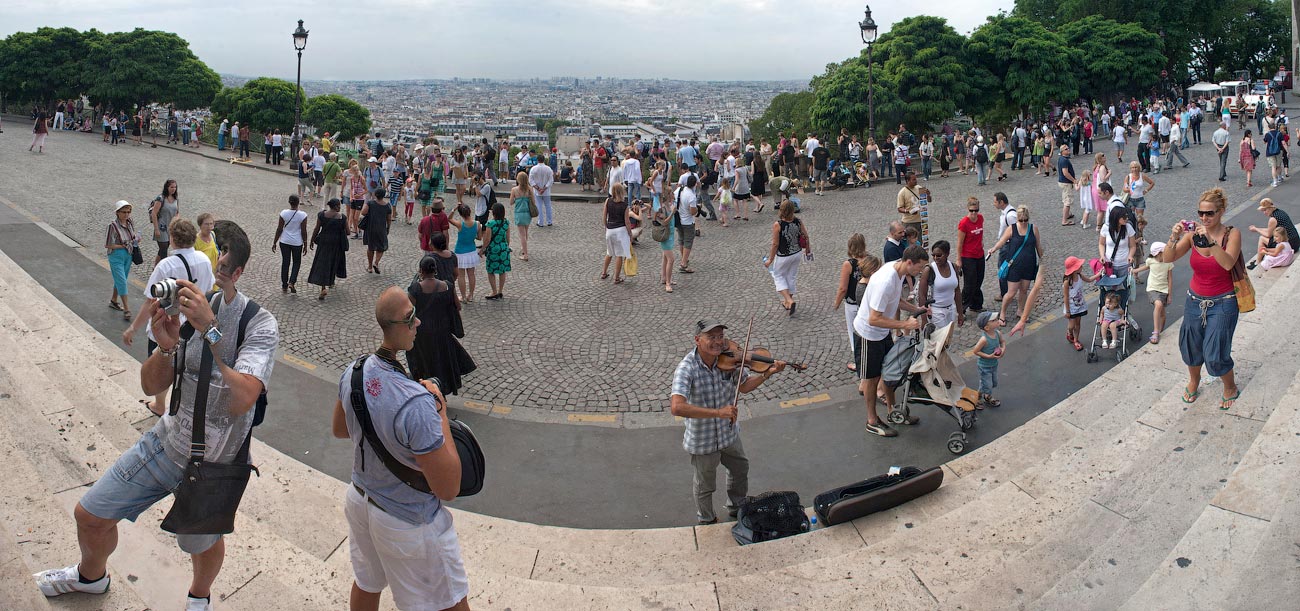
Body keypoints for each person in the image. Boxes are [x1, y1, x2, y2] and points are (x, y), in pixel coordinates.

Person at [38, 223, 276, 611]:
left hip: (216, 464)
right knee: (91, 514)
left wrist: (210, 331)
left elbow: (244, 397)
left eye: (221, 273)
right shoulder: (198, 309)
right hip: (166, 443)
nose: (213, 285)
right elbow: (151, 387)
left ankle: (200, 596)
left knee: (202, 542)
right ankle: (91, 577)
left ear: (238, 273)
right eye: (212, 270)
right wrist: (166, 348)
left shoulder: (259, 323)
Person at [331, 287, 469, 611]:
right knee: (449, 601)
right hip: (408, 519)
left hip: (362, 500)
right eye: (412, 318)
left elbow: (340, 429)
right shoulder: (417, 403)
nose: (418, 322)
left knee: (367, 582)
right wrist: (440, 412)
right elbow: (448, 487)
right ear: (401, 325)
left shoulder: (354, 371)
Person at [670, 319, 789, 525]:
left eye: (720, 336)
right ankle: (706, 518)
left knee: (740, 469)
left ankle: (737, 507)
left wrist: (767, 374)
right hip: (702, 440)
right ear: (698, 340)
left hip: (729, 433)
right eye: (711, 337)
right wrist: (718, 412)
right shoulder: (686, 368)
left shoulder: (729, 361)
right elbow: (677, 407)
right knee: (705, 484)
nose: (718, 342)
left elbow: (743, 386)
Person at [1161, 188, 1243, 410]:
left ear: (1221, 212)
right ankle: (1194, 380)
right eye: (1201, 213)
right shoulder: (1192, 235)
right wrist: (1174, 236)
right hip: (1194, 300)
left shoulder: (1231, 234)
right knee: (1191, 345)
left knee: (1215, 351)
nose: (1204, 218)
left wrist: (1211, 243)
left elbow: (1227, 263)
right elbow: (1169, 258)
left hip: (1224, 302)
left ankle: (1230, 387)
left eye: (1210, 214)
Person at [854, 246, 930, 437]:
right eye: (919, 267)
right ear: (909, 262)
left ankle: (893, 411)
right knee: (872, 379)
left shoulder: (898, 271)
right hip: (868, 334)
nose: (920, 272)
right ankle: (871, 420)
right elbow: (873, 318)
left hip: (881, 333)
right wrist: (905, 323)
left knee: (889, 371)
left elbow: (896, 301)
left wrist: (917, 309)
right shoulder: (886, 281)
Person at [407, 255, 476, 396]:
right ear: (435, 270)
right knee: (441, 363)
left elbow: (409, 311)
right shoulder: (447, 286)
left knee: (424, 364)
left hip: (422, 335)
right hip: (442, 332)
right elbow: (457, 306)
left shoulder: (415, 289)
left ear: (421, 270)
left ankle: (425, 392)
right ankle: (441, 393)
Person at [988, 205, 1044, 325]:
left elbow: (1038, 245)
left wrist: (1042, 259)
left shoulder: (1033, 228)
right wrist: (993, 249)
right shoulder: (1012, 229)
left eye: (1025, 220)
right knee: (1011, 292)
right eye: (1021, 220)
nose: (1023, 222)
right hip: (1014, 266)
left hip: (1029, 265)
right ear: (1017, 219)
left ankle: (1020, 311)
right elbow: (1002, 241)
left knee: (1024, 290)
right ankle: (1002, 313)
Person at [834, 237, 879, 372]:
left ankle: (858, 361)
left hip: (853, 304)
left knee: (854, 332)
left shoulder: (849, 264)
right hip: (869, 302)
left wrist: (836, 303)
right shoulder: (872, 260)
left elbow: (843, 288)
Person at [764, 200, 811, 315]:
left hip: (783, 255)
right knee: (791, 276)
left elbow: (775, 244)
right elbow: (806, 236)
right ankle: (787, 302)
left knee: (778, 275)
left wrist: (770, 259)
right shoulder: (798, 221)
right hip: (797, 254)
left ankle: (789, 300)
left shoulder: (778, 224)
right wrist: (808, 250)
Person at [307, 198, 349, 301]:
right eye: (339, 205)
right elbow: (348, 232)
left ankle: (323, 287)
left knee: (323, 263)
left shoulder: (321, 215)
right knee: (333, 262)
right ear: (335, 206)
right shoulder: (342, 217)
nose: (340, 207)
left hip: (324, 242)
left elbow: (317, 228)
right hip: (336, 244)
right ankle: (331, 281)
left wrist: (312, 240)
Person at [1132, 242, 1173, 344]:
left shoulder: (1168, 262)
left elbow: (1170, 279)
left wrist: (1169, 294)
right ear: (1158, 253)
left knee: (1163, 315)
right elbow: (1146, 267)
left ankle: (1160, 331)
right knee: (1158, 305)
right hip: (1152, 288)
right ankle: (1155, 331)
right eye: (1165, 252)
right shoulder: (1150, 260)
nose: (1167, 254)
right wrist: (1134, 270)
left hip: (1164, 290)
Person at [105, 200, 139, 322]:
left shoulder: (130, 222)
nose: (126, 214)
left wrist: (135, 239)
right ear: (117, 213)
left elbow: (132, 236)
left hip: (128, 255)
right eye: (123, 212)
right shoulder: (112, 226)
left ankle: (114, 300)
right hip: (116, 256)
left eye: (128, 212)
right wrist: (123, 245)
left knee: (121, 279)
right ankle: (126, 308)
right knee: (122, 281)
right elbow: (108, 245)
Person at [917, 240, 963, 330]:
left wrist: (960, 313)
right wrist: (924, 319)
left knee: (948, 338)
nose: (935, 258)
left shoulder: (954, 267)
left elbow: (957, 291)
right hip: (936, 311)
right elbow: (922, 295)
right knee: (940, 339)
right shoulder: (929, 270)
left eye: (939, 255)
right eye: (933, 255)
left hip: (951, 309)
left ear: (947, 254)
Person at [1246, 198, 1299, 269]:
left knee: (1261, 238)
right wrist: (1257, 228)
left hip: (1289, 245)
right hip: (1295, 241)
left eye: (1265, 210)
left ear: (1270, 208)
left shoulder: (1273, 219)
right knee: (1267, 238)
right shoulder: (1281, 212)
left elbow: (1268, 234)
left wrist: (1256, 229)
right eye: (1263, 210)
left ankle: (1257, 262)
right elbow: (1270, 230)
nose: (1264, 212)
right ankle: (1260, 258)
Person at [272, 195, 309, 294]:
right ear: (298, 203)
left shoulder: (284, 213)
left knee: (285, 263)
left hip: (284, 241)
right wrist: (305, 244)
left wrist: (274, 242)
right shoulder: (303, 215)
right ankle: (292, 282)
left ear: (289, 202)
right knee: (296, 263)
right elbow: (304, 231)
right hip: (297, 243)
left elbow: (279, 229)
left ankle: (284, 285)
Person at [956, 197, 985, 313]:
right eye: (972, 210)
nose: (974, 213)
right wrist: (959, 259)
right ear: (968, 209)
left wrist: (981, 242)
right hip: (968, 256)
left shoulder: (981, 218)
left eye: (976, 210)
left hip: (979, 254)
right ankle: (962, 308)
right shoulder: (964, 223)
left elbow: (980, 233)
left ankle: (976, 305)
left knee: (979, 280)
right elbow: (959, 243)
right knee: (969, 284)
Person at [1062, 255, 1098, 351]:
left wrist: (1099, 274)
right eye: (1080, 266)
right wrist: (1068, 311)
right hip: (1071, 307)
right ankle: (1069, 332)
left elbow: (1089, 280)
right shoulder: (1067, 282)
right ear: (1075, 269)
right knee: (1071, 326)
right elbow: (1065, 297)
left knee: (1078, 324)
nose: (1082, 267)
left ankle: (1076, 340)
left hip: (1080, 305)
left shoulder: (1080, 276)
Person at [448, 204, 482, 303]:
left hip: (460, 252)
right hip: (471, 251)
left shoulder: (460, 224)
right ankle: (470, 295)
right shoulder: (477, 224)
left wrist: (453, 209)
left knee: (461, 275)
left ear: (461, 215)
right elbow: (479, 238)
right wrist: (472, 236)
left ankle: (463, 297)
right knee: (471, 274)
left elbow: (448, 218)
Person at [600, 183, 632, 284]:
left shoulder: (607, 201)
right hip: (620, 231)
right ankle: (616, 278)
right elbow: (627, 222)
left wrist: (606, 227)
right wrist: (630, 234)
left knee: (609, 253)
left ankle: (604, 273)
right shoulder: (624, 205)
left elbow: (604, 216)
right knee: (619, 254)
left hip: (610, 230)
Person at [970, 312, 1004, 408]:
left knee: (993, 382)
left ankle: (981, 396)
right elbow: (975, 351)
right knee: (987, 384)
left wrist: (1003, 350)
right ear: (987, 328)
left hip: (994, 365)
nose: (997, 320)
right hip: (984, 366)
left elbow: (1003, 342)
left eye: (996, 319)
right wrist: (988, 356)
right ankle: (983, 397)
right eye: (993, 320)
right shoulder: (984, 339)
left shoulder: (998, 333)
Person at [361, 189, 395, 274]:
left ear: (375, 195)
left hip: (370, 228)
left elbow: (363, 212)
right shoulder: (387, 205)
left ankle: (369, 267)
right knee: (381, 247)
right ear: (383, 195)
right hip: (381, 228)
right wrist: (388, 228)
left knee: (370, 247)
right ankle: (376, 262)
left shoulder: (370, 203)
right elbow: (389, 219)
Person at [482, 202, 512, 300]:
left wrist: (482, 250)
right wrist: (506, 247)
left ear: (494, 213)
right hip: (503, 248)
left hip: (493, 249)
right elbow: (508, 238)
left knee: (491, 271)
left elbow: (487, 240)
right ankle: (500, 291)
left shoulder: (490, 224)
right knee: (502, 271)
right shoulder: (506, 222)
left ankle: (494, 291)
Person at [150, 179, 180, 265]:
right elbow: (154, 213)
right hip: (161, 227)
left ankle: (156, 267)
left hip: (171, 228)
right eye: (171, 187)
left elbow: (177, 212)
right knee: (163, 249)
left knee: (164, 248)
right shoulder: (160, 198)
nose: (173, 189)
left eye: (175, 187)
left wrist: (177, 220)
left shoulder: (176, 199)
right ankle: (165, 268)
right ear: (167, 187)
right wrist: (156, 229)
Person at [675, 175, 699, 274]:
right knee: (688, 241)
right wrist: (698, 208)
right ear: (694, 184)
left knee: (681, 240)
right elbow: (693, 212)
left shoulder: (678, 190)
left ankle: (683, 258)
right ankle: (684, 263)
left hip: (678, 220)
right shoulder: (691, 196)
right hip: (688, 222)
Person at [509, 171, 534, 261]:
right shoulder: (530, 189)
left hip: (519, 213)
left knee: (522, 235)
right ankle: (524, 249)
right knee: (525, 232)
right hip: (527, 213)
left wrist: (518, 200)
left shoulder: (514, 190)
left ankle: (525, 254)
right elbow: (533, 202)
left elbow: (511, 202)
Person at [529, 156, 555, 227]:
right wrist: (544, 188)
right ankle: (549, 221)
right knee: (548, 206)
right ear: (544, 160)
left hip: (537, 191)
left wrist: (538, 188)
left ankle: (540, 222)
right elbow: (551, 180)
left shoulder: (533, 169)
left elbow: (531, 180)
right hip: (546, 191)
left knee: (539, 206)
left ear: (537, 160)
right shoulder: (548, 168)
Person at [1057, 146, 1078, 226]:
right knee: (1067, 201)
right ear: (1062, 151)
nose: (1068, 149)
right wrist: (1074, 180)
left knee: (1065, 198)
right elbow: (1065, 173)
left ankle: (1068, 214)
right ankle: (1064, 220)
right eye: (1066, 149)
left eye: (1068, 148)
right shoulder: (1064, 160)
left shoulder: (1062, 159)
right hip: (1066, 182)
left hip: (1063, 182)